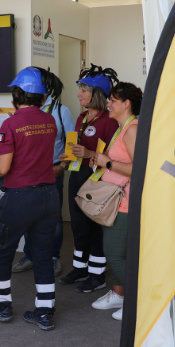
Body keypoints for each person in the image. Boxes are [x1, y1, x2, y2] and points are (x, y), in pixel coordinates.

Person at [0, 67, 62, 331]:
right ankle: (44, 311)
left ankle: (2, 304)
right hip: (49, 197)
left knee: (3, 250)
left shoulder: (10, 124)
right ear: (41, 97)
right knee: (42, 253)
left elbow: (3, 168)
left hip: (19, 199)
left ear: (17, 94)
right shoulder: (49, 121)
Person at [58, 64, 119, 293]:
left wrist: (91, 154)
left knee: (95, 227)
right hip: (77, 174)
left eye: (84, 90)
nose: (78, 94)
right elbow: (75, 148)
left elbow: (116, 156)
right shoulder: (81, 117)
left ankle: (97, 274)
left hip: (97, 179)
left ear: (97, 94)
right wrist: (67, 157)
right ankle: (79, 268)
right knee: (78, 225)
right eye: (79, 89)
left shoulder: (109, 121)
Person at [89, 82, 142, 320]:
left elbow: (140, 167)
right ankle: (120, 296)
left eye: (112, 100)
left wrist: (107, 163)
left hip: (126, 202)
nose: (108, 104)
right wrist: (101, 161)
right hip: (114, 200)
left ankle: (137, 302)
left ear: (126, 103)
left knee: (114, 254)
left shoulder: (132, 129)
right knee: (117, 252)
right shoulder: (122, 127)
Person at [11, 77, 73, 276]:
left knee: (52, 218)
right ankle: (30, 255)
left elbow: (72, 142)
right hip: (29, 173)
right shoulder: (24, 111)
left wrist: (62, 167)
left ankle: (52, 258)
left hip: (53, 171)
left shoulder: (61, 111)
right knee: (30, 216)